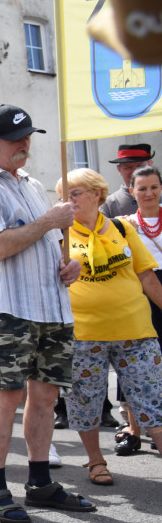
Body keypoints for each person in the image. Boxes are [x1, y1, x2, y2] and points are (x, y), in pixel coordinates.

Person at [0, 103, 94, 523]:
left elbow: (49, 242)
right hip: (11, 308)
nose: (25, 144)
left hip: (51, 304)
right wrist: (48, 220)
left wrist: (66, 263)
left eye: (27, 136)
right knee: (8, 395)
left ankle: (40, 483)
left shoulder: (33, 184)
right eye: (16, 139)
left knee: (46, 396)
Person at [57, 168, 162, 483]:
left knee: (153, 400)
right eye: (64, 194)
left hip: (136, 331)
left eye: (75, 193)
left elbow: (146, 275)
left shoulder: (122, 228)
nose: (69, 200)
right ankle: (95, 461)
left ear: (96, 194)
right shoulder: (58, 235)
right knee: (84, 403)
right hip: (84, 335)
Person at [113, 166, 162, 455]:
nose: (148, 193)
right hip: (138, 293)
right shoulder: (122, 224)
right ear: (132, 191)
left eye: (154, 187)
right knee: (132, 363)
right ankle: (133, 429)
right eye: (142, 188)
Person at [102, 144, 155, 219]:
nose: (135, 171)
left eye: (140, 166)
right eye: (128, 167)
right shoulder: (108, 204)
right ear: (119, 169)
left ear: (150, 165)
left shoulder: (159, 196)